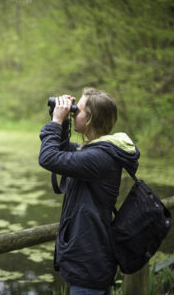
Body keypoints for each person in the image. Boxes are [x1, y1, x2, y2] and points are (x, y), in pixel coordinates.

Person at [38, 87, 140, 295]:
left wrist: (56, 122)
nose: (74, 111)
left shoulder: (99, 157)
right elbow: (64, 151)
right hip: (88, 258)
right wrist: (64, 123)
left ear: (91, 118)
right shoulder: (95, 150)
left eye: (79, 109)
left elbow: (48, 157)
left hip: (89, 263)